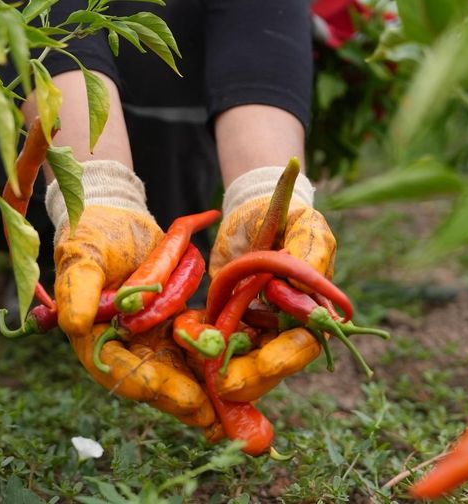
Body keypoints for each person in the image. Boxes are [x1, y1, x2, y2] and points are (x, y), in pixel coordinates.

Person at [26, 1, 338, 432]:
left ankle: (62, 266)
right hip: (0, 79)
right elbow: (36, 19)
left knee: (172, 157)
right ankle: (37, 250)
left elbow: (259, 19)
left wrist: (264, 191)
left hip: (180, 98)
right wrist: (95, 193)